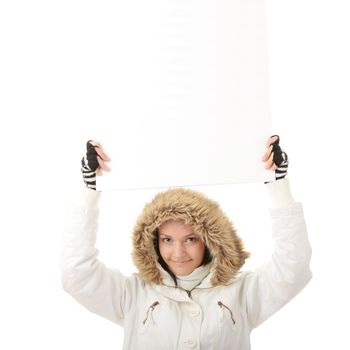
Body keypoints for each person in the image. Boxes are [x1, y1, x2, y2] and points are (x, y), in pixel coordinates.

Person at [61, 136, 312, 350]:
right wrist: (89, 190)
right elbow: (77, 275)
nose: (178, 252)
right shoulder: (133, 294)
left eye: (191, 239)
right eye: (167, 240)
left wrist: (278, 186)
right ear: (154, 243)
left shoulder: (241, 293)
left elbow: (293, 269)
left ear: (210, 242)